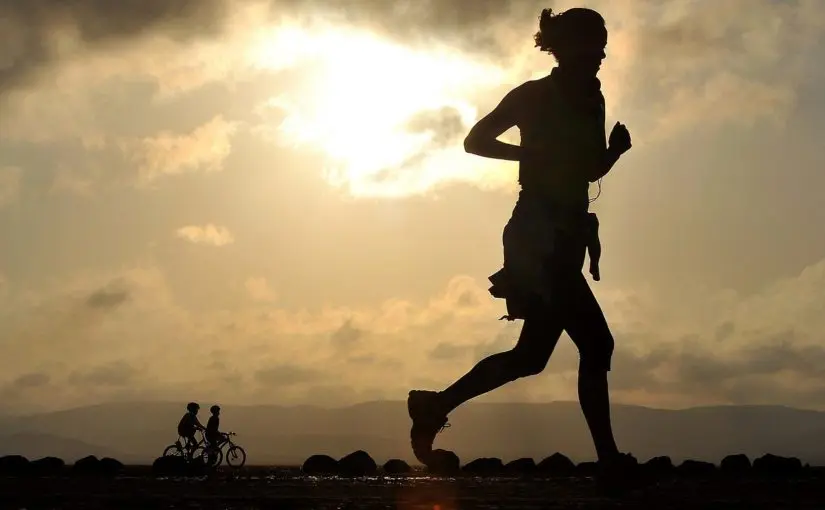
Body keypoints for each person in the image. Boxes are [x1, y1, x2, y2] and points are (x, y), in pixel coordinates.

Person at [407, 7, 636, 480]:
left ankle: (435, 405)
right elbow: (475, 141)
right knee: (597, 343)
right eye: (592, 44)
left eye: (603, 45)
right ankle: (610, 462)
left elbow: (587, 169)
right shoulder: (532, 96)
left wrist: (612, 153)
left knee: (530, 359)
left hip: (569, 236)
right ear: (564, 47)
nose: (601, 54)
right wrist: (528, 152)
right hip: (538, 236)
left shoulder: (594, 102)